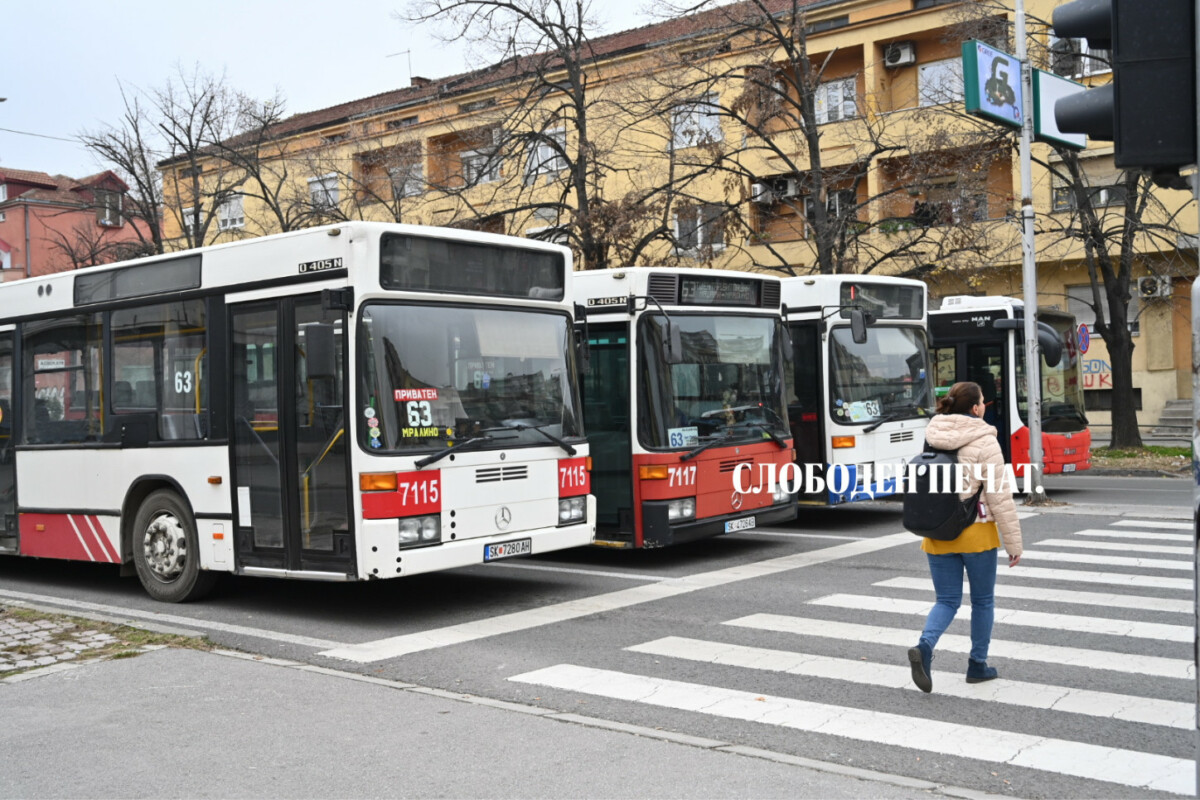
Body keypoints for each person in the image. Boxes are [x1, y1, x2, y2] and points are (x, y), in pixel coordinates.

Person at [907, 380, 1022, 694]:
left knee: (946, 601)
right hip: (976, 534)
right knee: (982, 602)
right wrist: (1014, 544)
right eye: (983, 400)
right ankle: (977, 665)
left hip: (938, 533)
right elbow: (1000, 497)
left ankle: (925, 647)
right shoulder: (986, 440)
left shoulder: (933, 435)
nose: (984, 405)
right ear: (975, 408)